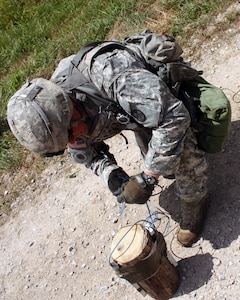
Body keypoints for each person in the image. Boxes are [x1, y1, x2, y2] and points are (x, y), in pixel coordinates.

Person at [7, 30, 231, 247]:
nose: (73, 142)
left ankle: (196, 200)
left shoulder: (112, 75)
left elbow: (173, 118)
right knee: (162, 158)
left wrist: (148, 176)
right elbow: (84, 151)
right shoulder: (59, 114)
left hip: (160, 95)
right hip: (131, 111)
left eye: (70, 135)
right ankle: (160, 155)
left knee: (174, 144)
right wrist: (110, 174)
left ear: (71, 111)